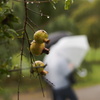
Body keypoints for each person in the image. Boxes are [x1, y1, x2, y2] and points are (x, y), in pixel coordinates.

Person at [43, 35, 90, 100]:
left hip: (55, 87)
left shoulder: (48, 57)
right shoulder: (60, 59)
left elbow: (45, 73)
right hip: (64, 85)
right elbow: (66, 72)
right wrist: (71, 66)